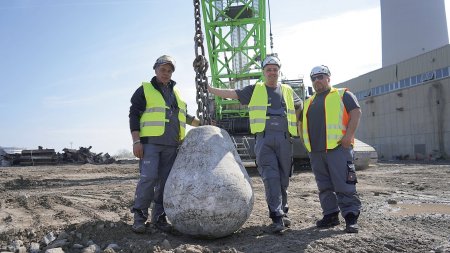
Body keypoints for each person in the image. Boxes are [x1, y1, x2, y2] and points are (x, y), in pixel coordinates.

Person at [207, 55, 303, 233]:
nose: (272, 73)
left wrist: (296, 126)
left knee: (283, 178)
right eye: (269, 70)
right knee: (271, 177)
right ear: (263, 72)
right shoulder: (255, 89)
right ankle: (277, 215)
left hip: (284, 138)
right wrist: (210, 89)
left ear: (278, 71)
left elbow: (300, 107)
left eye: (275, 69)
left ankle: (284, 210)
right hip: (264, 139)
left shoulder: (288, 91)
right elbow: (232, 94)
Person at [128, 55, 201, 233]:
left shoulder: (176, 93)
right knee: (149, 178)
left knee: (166, 182)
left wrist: (203, 123)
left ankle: (159, 218)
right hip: (150, 144)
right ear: (155, 70)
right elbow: (134, 115)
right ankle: (139, 217)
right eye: (163, 70)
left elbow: (184, 116)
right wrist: (136, 141)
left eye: (169, 71)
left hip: (171, 145)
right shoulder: (144, 90)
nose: (166, 73)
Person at [301, 65, 362, 233]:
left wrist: (348, 137)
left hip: (337, 149)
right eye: (313, 78)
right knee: (324, 186)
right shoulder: (309, 101)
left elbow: (356, 113)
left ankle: (350, 217)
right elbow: (302, 124)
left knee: (344, 184)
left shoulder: (343, 94)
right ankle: (330, 215)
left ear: (328, 77)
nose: (317, 81)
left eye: (320, 76)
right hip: (316, 151)